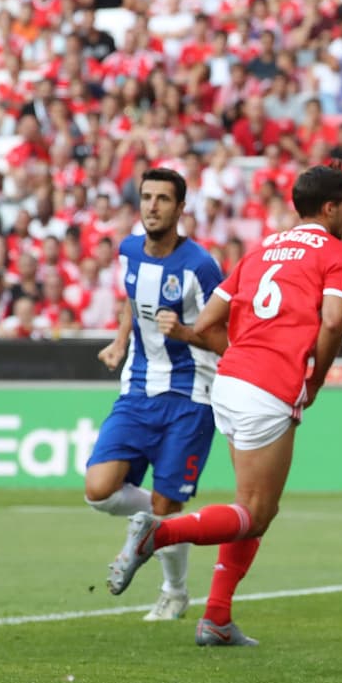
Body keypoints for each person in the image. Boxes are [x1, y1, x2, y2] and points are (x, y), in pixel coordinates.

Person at [105, 166, 342, 647]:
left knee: (253, 506)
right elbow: (332, 322)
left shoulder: (263, 249)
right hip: (269, 388)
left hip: (231, 381)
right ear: (330, 208)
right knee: (257, 513)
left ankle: (216, 616)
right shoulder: (335, 254)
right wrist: (314, 379)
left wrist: (248, 352)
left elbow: (204, 322)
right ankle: (156, 535)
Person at [84, 168, 224, 622]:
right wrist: (122, 341)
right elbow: (131, 299)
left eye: (164, 198)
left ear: (180, 208)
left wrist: (185, 333)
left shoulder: (200, 267)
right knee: (99, 490)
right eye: (147, 197)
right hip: (138, 388)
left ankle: (174, 592)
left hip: (191, 395)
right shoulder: (128, 251)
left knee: (168, 504)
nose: (153, 206)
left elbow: (229, 338)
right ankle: (151, 520)